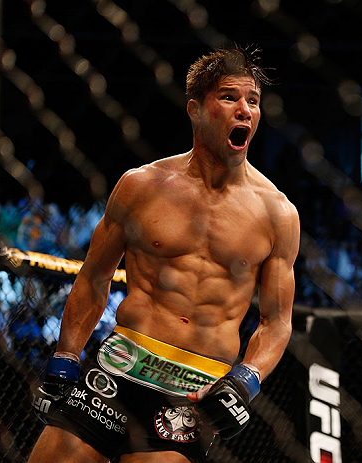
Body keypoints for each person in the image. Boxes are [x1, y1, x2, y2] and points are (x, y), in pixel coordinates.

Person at [28, 45, 300, 463]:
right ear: (195, 109)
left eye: (254, 100)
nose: (245, 109)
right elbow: (94, 277)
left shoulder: (277, 214)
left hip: (194, 389)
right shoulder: (142, 187)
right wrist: (65, 356)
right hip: (119, 367)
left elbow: (277, 321)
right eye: (229, 97)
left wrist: (246, 380)